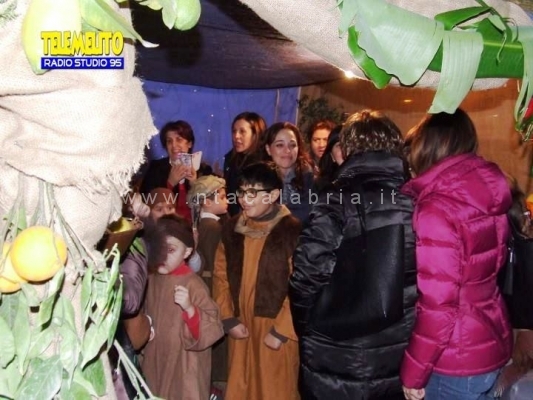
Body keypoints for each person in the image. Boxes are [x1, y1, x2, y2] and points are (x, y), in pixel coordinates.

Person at [289, 110, 416, 400]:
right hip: (397, 350)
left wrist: (309, 328)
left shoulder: (336, 199)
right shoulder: (415, 199)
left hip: (336, 352)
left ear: (347, 148)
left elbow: (306, 275)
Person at [400, 108, 512, 400]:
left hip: (454, 358)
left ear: (428, 146)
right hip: (490, 338)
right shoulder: (484, 194)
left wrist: (413, 373)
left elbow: (439, 305)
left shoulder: (437, 209)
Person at [213, 162, 301, 400]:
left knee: (275, 391)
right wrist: (228, 318)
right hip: (241, 326)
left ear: (272, 195)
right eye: (241, 192)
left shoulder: (292, 231)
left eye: (253, 193)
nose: (244, 199)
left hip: (274, 330)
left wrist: (282, 331)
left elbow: (301, 286)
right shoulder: (232, 229)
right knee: (240, 390)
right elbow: (220, 276)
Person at [141, 214, 224, 400]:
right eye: (158, 248)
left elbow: (213, 326)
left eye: (171, 250)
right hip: (156, 361)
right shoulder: (151, 280)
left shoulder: (193, 284)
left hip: (185, 364)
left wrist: (190, 310)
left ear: (186, 252)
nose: (162, 256)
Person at [187, 175, 230, 383]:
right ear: (206, 201)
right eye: (221, 197)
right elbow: (215, 261)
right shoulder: (212, 227)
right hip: (212, 285)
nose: (227, 201)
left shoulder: (208, 225)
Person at [140, 120, 211, 222]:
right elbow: (146, 202)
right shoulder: (156, 168)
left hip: (195, 224)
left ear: (189, 144)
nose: (174, 145)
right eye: (169, 141)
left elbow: (212, 205)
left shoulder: (203, 170)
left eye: (179, 140)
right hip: (165, 224)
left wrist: (195, 186)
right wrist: (169, 184)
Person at [261, 122, 314, 223]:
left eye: (292, 145)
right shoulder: (257, 179)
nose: (287, 150)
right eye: (280, 145)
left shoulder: (310, 179)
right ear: (268, 149)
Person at [223, 112, 267, 216]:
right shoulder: (231, 159)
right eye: (234, 131)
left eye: (242, 131)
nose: (236, 136)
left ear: (255, 135)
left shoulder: (262, 165)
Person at [313, 124, 344, 192]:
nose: (321, 145)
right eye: (339, 145)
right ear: (331, 155)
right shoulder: (321, 186)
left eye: (349, 144)